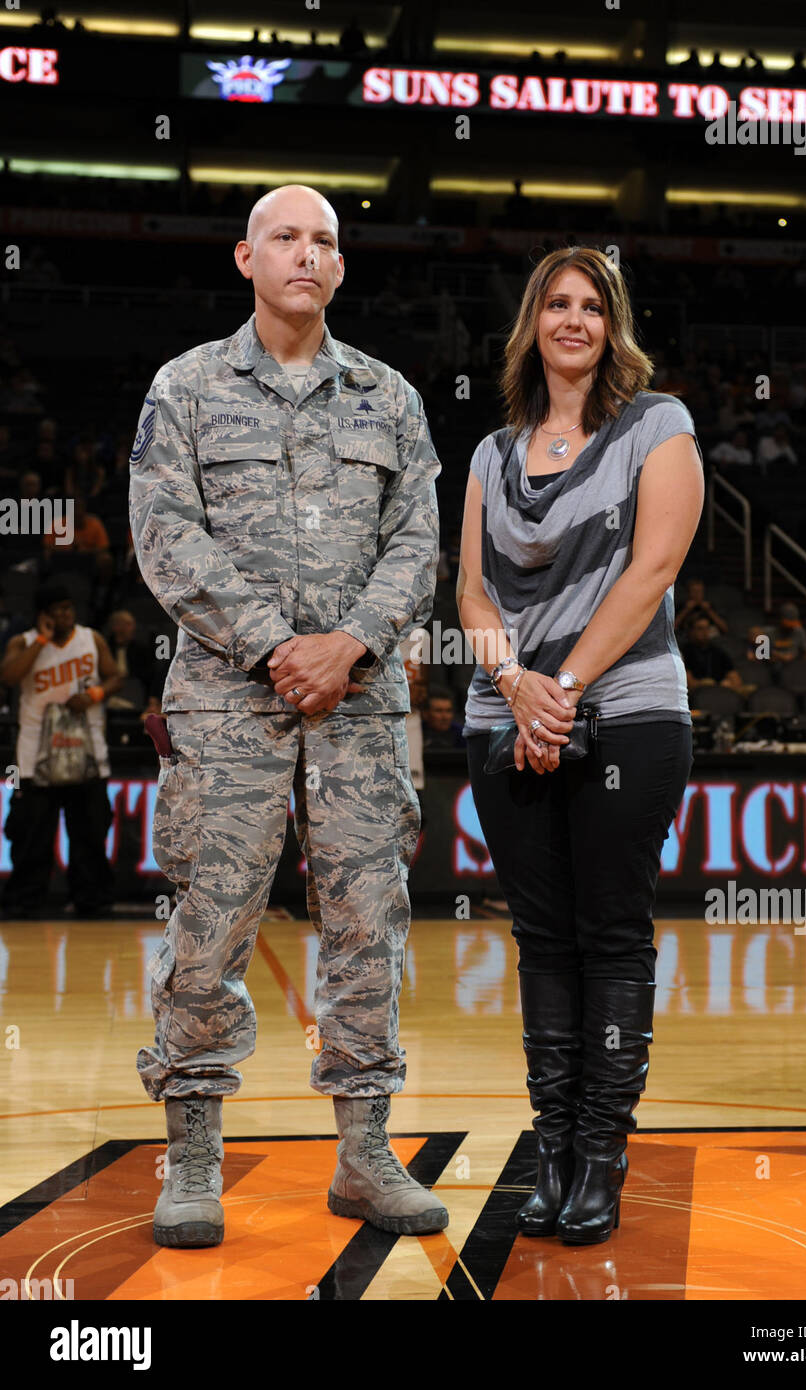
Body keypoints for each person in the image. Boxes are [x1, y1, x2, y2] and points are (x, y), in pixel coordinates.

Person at [128, 184, 445, 1248]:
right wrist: (275, 645)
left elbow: (417, 547)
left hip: (357, 712)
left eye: (324, 240)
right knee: (207, 931)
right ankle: (192, 1160)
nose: (305, 254)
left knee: (368, 930)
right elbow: (166, 537)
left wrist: (348, 644)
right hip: (228, 709)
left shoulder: (391, 397)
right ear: (245, 258)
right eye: (285, 238)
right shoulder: (184, 387)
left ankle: (363, 1157)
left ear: (341, 267)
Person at [458, 246, 703, 1244]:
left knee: (609, 934)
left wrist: (556, 690)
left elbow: (650, 571)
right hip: (504, 715)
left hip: (627, 713)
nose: (572, 319)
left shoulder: (658, 424)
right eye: (555, 303)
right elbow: (471, 592)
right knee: (540, 940)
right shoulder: (488, 452)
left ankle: (601, 1153)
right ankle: (552, 1148)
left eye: (591, 306)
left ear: (612, 326)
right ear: (533, 322)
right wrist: (513, 683)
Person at [0, 584, 122, 919]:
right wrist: (41, 640)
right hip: (34, 761)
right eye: (57, 609)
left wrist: (95, 694)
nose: (64, 615)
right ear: (43, 615)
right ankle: (26, 902)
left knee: (89, 836)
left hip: (87, 756)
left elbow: (116, 678)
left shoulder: (91, 639)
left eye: (68, 608)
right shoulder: (23, 643)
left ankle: (92, 901)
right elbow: (9, 676)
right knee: (31, 840)